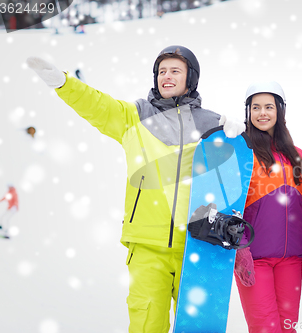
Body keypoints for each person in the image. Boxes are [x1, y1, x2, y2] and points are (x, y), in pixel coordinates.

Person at [27, 45, 245, 333]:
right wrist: (64, 83)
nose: (166, 77)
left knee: (198, 328)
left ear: (191, 78)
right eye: (161, 71)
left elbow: (236, 179)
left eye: (175, 71)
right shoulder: (135, 116)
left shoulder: (213, 124)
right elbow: (98, 105)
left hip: (198, 247)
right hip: (145, 247)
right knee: (145, 326)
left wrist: (239, 136)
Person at [234, 81, 302, 333]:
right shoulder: (243, 153)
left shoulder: (297, 156)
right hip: (255, 259)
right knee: (265, 329)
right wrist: (240, 251)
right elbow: (232, 208)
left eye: (269, 107)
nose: (262, 113)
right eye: (256, 107)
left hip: (291, 260)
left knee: (287, 327)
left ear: (280, 111)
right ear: (248, 112)